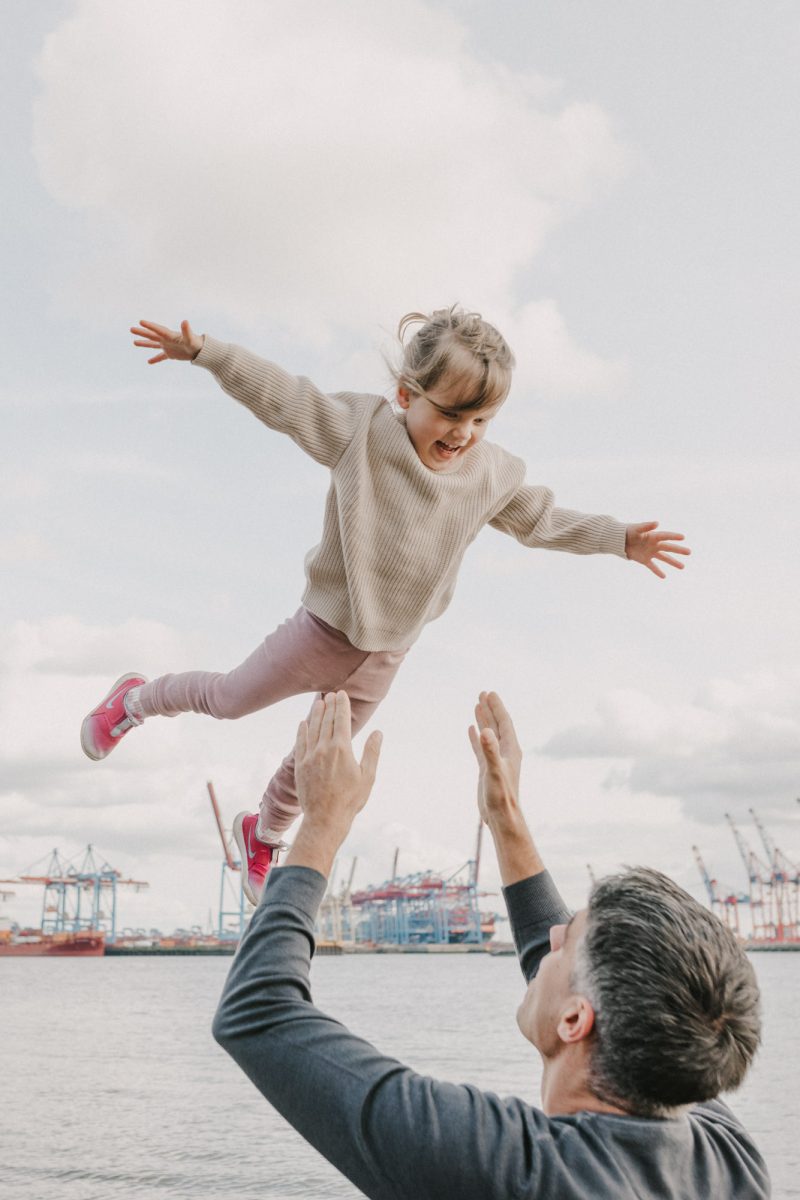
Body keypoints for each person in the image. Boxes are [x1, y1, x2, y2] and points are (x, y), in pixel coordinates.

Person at [81, 309, 690, 904]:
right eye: (450, 413)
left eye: (481, 420)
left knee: (315, 761)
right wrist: (210, 353)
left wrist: (619, 539)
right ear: (405, 393)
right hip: (321, 631)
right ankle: (132, 700)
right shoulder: (361, 433)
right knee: (229, 699)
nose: (463, 434)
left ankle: (262, 836)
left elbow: (541, 521)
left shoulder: (488, 475)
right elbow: (287, 401)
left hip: (387, 654)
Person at [212, 690, 769, 1200]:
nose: (546, 935)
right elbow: (576, 982)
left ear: (576, 1022)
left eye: (565, 941)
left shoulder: (510, 1172)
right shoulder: (730, 1159)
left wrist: (322, 825)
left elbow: (257, 1015)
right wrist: (505, 818)